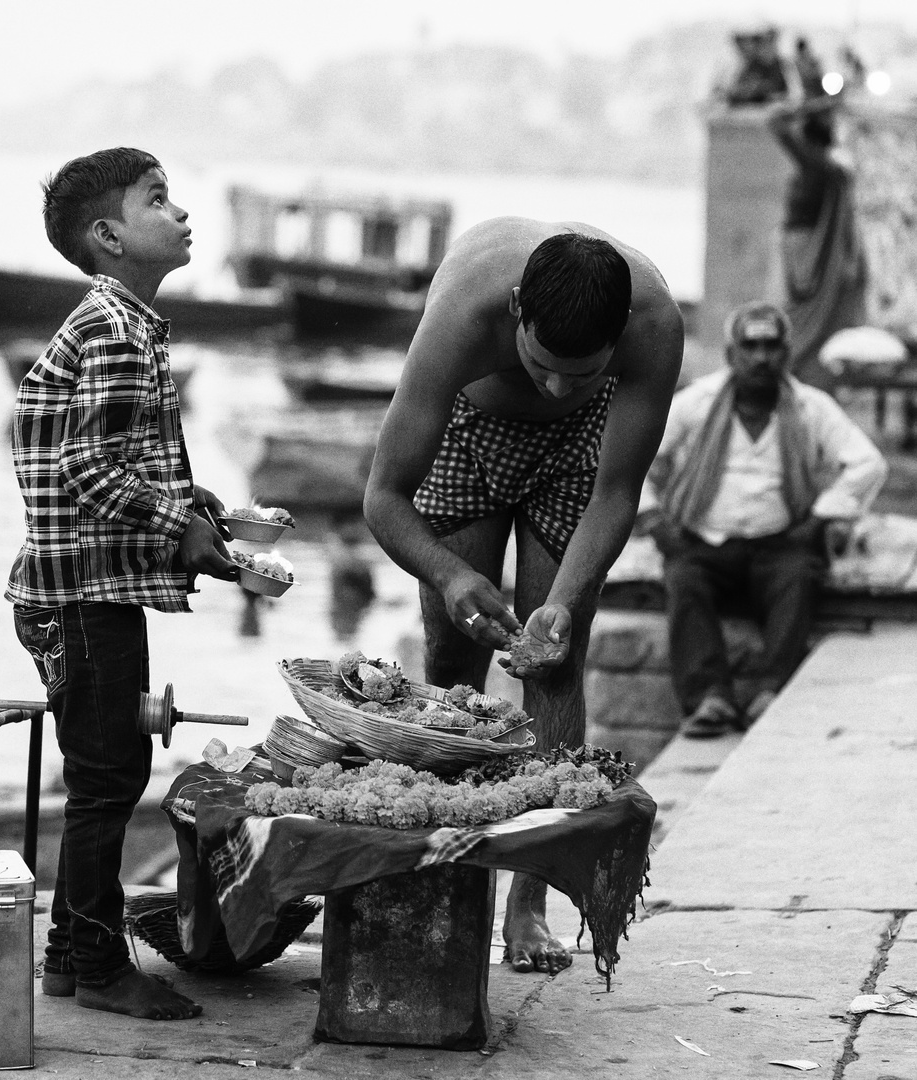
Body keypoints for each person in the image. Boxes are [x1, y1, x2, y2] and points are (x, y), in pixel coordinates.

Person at [363, 218, 684, 974]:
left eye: (583, 372)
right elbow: (383, 497)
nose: (557, 386)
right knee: (452, 651)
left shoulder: (656, 325)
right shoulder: (464, 314)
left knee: (553, 661)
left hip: (580, 450)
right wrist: (450, 575)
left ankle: (529, 901)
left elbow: (616, 492)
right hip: (467, 431)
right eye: (542, 365)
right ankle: (445, 869)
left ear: (620, 338)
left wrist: (564, 603)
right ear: (515, 311)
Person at [5, 148, 240, 1021]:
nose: (180, 213)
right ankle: (101, 968)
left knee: (105, 770)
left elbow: (116, 459)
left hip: (87, 588)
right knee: (107, 780)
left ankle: (70, 954)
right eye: (158, 200)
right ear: (109, 237)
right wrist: (180, 527)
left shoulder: (127, 323)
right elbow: (88, 463)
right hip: (80, 595)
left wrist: (194, 505)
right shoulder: (110, 327)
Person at [636, 301, 887, 738]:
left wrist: (822, 518)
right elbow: (632, 460)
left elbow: (868, 463)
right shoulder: (697, 402)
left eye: (771, 345)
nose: (761, 356)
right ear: (731, 353)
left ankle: (772, 690)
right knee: (684, 579)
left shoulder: (811, 407)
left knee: (799, 575)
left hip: (778, 544)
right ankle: (709, 699)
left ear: (786, 353)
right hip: (705, 542)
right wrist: (655, 520)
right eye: (749, 345)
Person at [768, 95, 866, 392]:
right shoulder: (825, 165)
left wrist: (809, 107)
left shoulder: (819, 164)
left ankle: (794, 369)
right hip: (801, 248)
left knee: (795, 314)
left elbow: (774, 121)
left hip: (806, 250)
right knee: (795, 312)